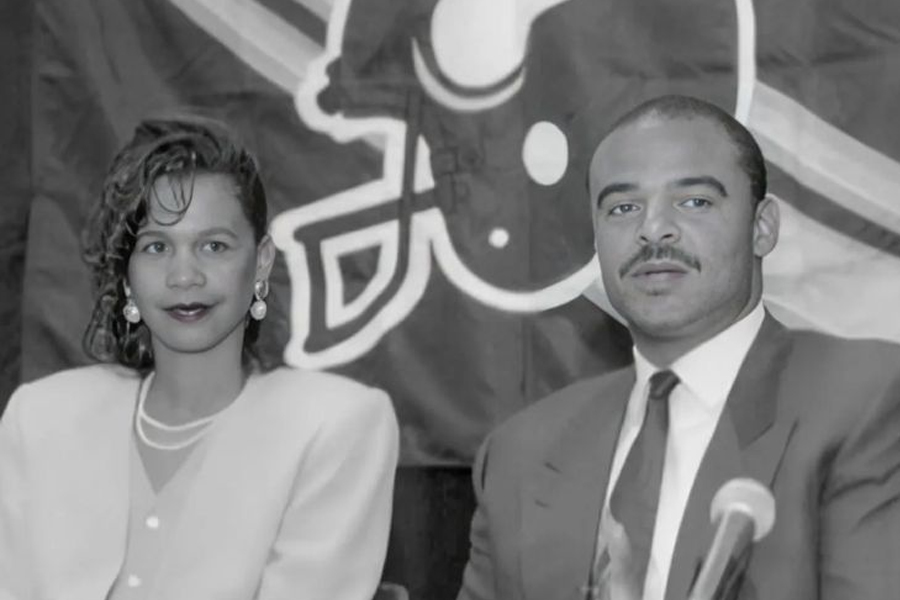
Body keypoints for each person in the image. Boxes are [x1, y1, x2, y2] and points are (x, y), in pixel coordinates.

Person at [455, 95, 900, 600]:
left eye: (694, 202)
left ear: (762, 227)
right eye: (623, 208)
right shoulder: (520, 453)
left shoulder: (869, 401)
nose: (652, 229)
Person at [0, 116, 399, 600]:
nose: (184, 275)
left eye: (214, 246)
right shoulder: (40, 418)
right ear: (126, 274)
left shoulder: (336, 424)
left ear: (262, 261)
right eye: (156, 247)